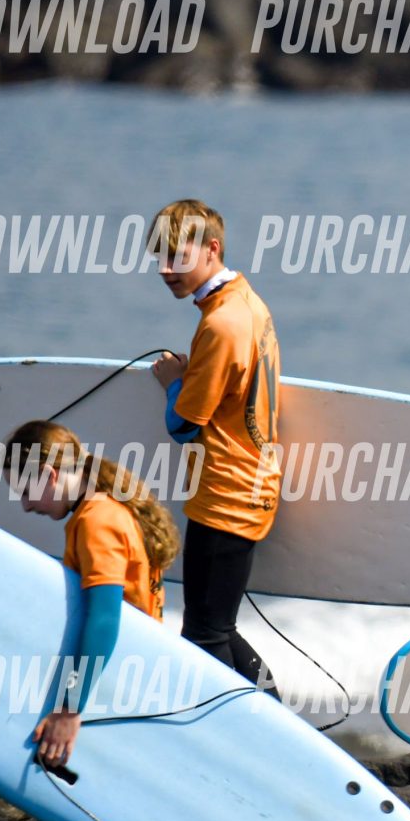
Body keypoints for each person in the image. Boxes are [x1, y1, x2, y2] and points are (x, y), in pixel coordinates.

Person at [12, 419, 189, 821]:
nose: (25, 504)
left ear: (49, 472)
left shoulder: (95, 520)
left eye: (26, 487)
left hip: (114, 702)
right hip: (121, 697)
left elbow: (104, 622)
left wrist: (68, 708)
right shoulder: (102, 511)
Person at [146, 199, 281, 694]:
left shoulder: (222, 324)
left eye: (177, 256)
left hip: (227, 493)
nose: (166, 270)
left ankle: (264, 723)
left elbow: (184, 425)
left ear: (212, 249)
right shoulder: (246, 301)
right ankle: (278, 720)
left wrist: (172, 383)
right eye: (159, 257)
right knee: (215, 629)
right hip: (248, 483)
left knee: (205, 635)